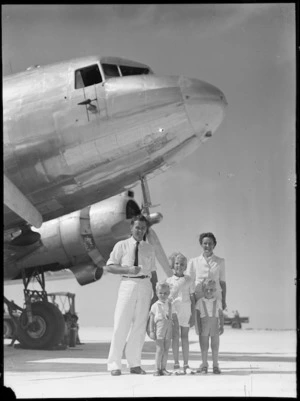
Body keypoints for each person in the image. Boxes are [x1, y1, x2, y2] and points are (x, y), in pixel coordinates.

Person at [105, 215, 158, 376]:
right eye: (137, 227)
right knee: (121, 323)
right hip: (128, 284)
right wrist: (127, 270)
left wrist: (155, 293)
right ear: (131, 228)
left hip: (145, 285)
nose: (140, 230)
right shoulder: (121, 245)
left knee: (139, 326)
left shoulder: (149, 248)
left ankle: (134, 364)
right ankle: (114, 364)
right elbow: (110, 267)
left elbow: (153, 271)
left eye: (143, 228)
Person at [166, 252, 195, 375]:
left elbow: (192, 298)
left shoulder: (189, 279)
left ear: (185, 266)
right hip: (174, 312)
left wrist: (193, 314)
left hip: (186, 310)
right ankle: (176, 364)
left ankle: (186, 364)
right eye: (177, 263)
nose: (179, 266)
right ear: (173, 265)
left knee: (185, 337)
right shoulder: (169, 280)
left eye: (182, 264)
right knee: (175, 337)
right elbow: (167, 299)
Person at [186, 232, 227, 310]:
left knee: (215, 321)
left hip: (215, 298)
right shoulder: (193, 261)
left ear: (214, 245)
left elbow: (223, 282)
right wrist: (192, 300)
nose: (207, 246)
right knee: (198, 321)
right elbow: (189, 283)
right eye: (205, 243)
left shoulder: (220, 261)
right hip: (198, 298)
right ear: (201, 244)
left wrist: (224, 301)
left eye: (210, 243)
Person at [195, 278, 224, 374]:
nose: (208, 291)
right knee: (204, 347)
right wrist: (197, 328)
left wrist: (222, 326)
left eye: (211, 289)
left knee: (215, 346)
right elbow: (197, 317)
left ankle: (215, 365)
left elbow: (220, 314)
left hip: (215, 326)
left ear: (215, 291)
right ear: (203, 290)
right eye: (206, 289)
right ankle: (204, 365)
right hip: (204, 327)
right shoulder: (199, 302)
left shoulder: (218, 301)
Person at [149, 282, 173, 376]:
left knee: (166, 349)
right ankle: (156, 368)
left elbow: (172, 317)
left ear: (169, 293)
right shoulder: (155, 306)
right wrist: (151, 331)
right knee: (160, 349)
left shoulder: (170, 304)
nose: (163, 295)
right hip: (159, 328)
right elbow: (151, 319)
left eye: (166, 293)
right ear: (157, 293)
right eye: (161, 293)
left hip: (169, 328)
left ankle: (163, 368)